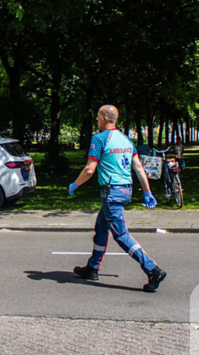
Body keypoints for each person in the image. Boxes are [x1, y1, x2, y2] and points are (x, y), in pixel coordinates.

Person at [68, 105, 166, 292]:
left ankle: (153, 269)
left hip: (111, 192)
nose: (96, 119)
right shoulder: (126, 140)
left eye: (98, 117)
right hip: (125, 190)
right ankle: (92, 267)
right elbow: (138, 168)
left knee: (121, 236)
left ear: (105, 118)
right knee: (101, 228)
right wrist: (147, 192)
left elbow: (90, 169)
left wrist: (75, 184)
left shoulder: (100, 139)